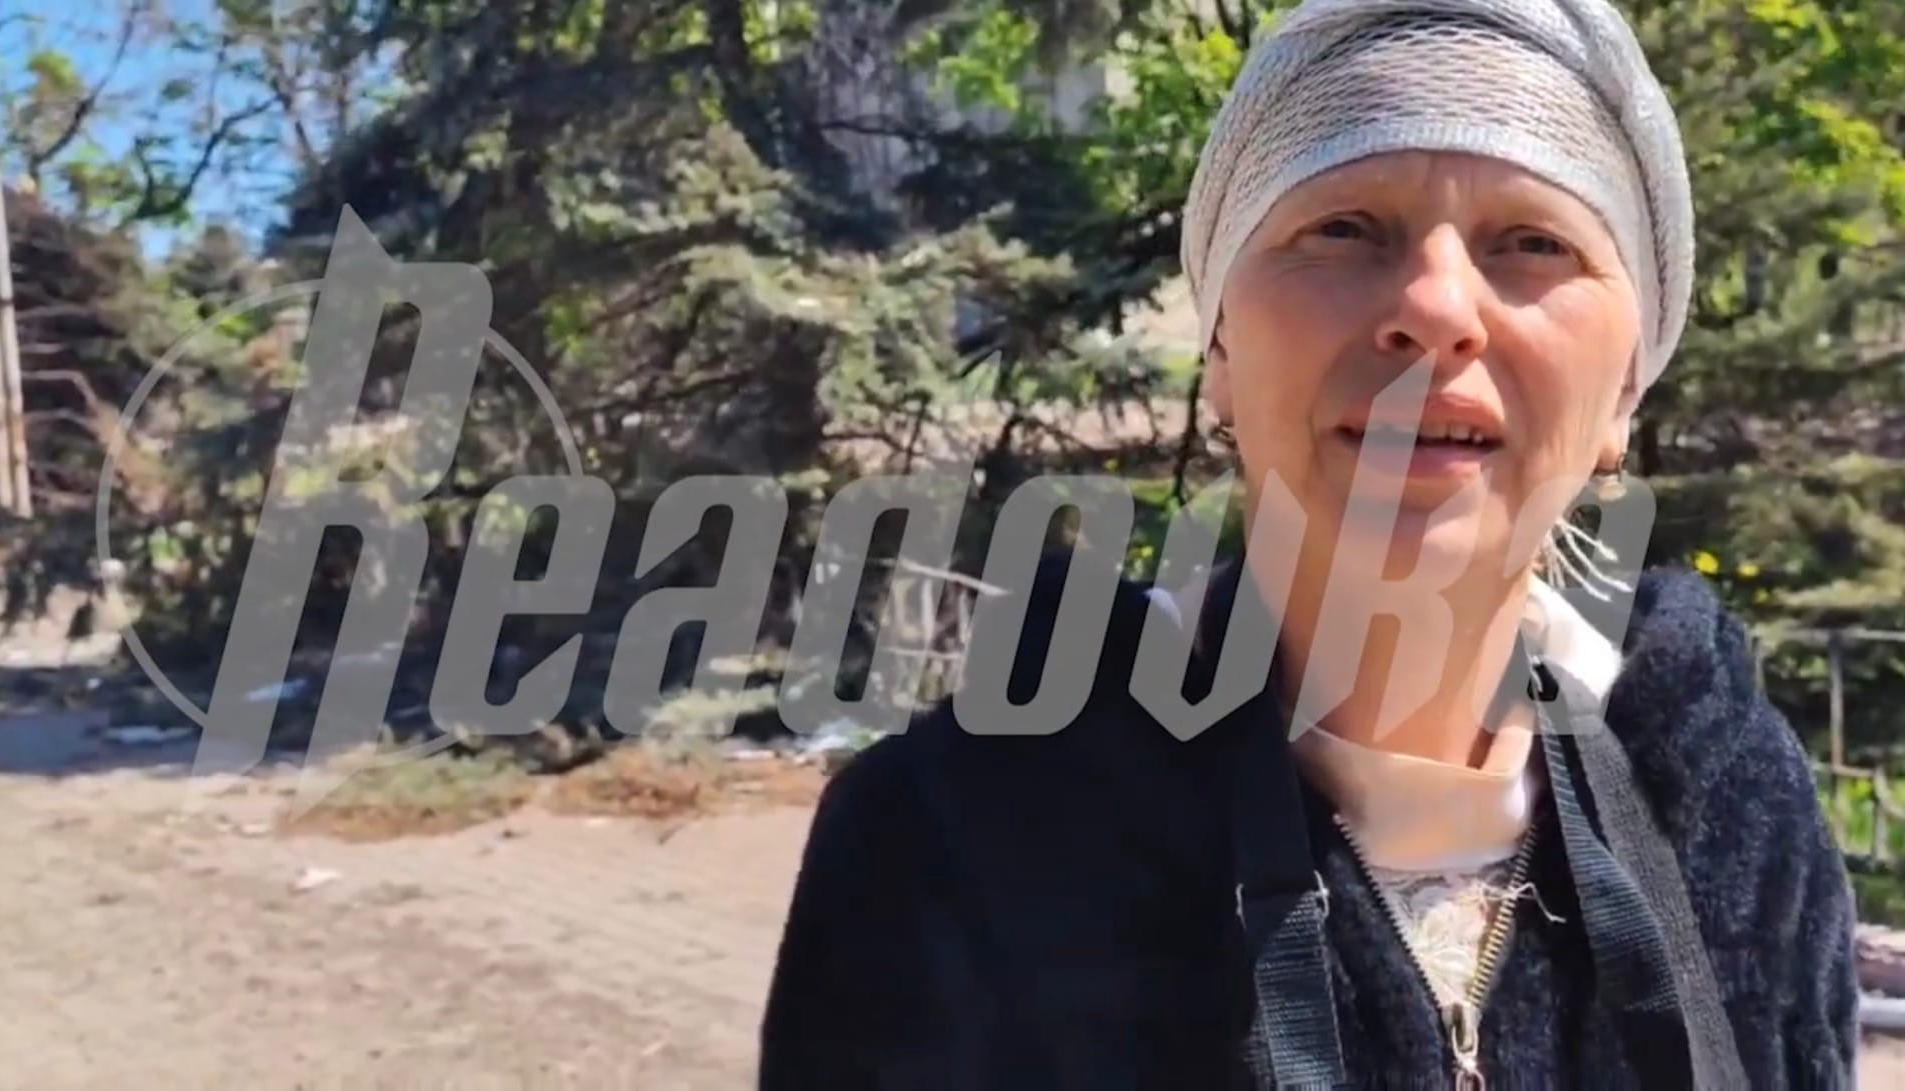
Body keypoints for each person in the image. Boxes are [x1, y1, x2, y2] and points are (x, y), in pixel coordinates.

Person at [757, 0, 1860, 1087]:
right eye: (1343, 228)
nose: (1436, 306)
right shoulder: (953, 846)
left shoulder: (1732, 812)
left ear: (1625, 390)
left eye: (1534, 242)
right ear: (1221, 356)